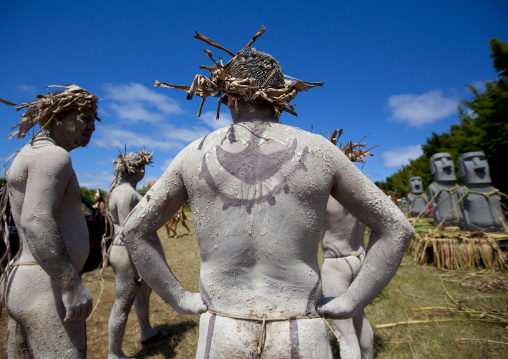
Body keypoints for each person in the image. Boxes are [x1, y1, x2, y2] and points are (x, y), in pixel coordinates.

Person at [122, 32, 414, 358]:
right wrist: (352, 300)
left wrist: (179, 298)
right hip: (300, 330)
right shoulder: (321, 151)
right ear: (281, 97)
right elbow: (397, 228)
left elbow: (134, 230)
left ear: (227, 95)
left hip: (221, 330)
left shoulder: (193, 154)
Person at [1, 85, 99, 358]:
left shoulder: (30, 153)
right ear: (60, 116)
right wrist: (71, 284)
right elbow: (35, 220)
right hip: (45, 285)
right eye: (86, 118)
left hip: (27, 280)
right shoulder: (54, 156)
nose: (92, 127)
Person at [107, 149, 168, 359]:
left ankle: (146, 331)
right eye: (143, 167)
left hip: (129, 251)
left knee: (143, 293)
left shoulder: (122, 190)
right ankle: (114, 353)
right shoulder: (126, 193)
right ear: (137, 169)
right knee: (122, 302)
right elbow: (127, 232)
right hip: (127, 253)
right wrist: (140, 263)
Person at [321, 135, 375, 359]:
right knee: (359, 316)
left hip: (336, 264)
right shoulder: (362, 193)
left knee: (344, 333)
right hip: (359, 258)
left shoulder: (328, 196)